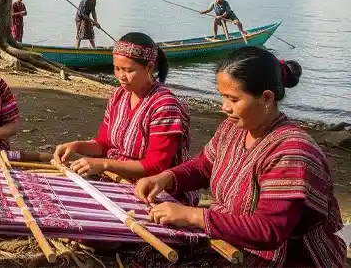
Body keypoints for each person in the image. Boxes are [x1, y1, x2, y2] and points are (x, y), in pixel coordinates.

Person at [132, 46, 344, 267]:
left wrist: (193, 216)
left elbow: (268, 231)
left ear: (266, 98)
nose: (224, 107)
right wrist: (165, 178)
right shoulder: (232, 130)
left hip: (282, 259)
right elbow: (203, 167)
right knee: (145, 253)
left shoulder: (291, 152)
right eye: (222, 96)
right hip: (232, 242)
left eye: (233, 99)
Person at [54, 32, 195, 203]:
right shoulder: (119, 96)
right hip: (115, 179)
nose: (121, 76)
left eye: (128, 70)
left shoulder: (165, 106)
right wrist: (76, 146)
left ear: (149, 67)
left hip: (152, 192)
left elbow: (155, 166)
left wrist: (104, 164)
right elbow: (104, 144)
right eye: (117, 69)